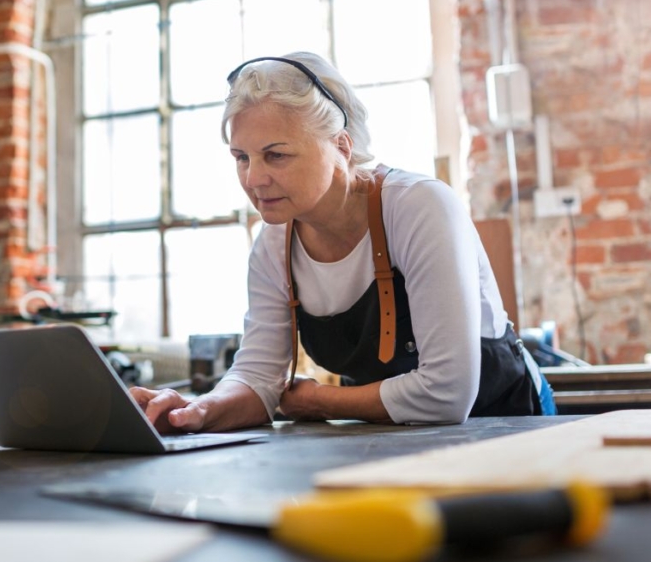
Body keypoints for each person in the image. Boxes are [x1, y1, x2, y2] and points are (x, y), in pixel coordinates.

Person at [129, 51, 556, 432]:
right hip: (389, 440)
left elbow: (447, 393)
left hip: (507, 428)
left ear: (342, 146)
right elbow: (259, 378)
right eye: (242, 158)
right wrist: (199, 410)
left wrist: (319, 401)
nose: (253, 179)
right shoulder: (273, 244)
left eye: (276, 155)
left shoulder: (419, 207)